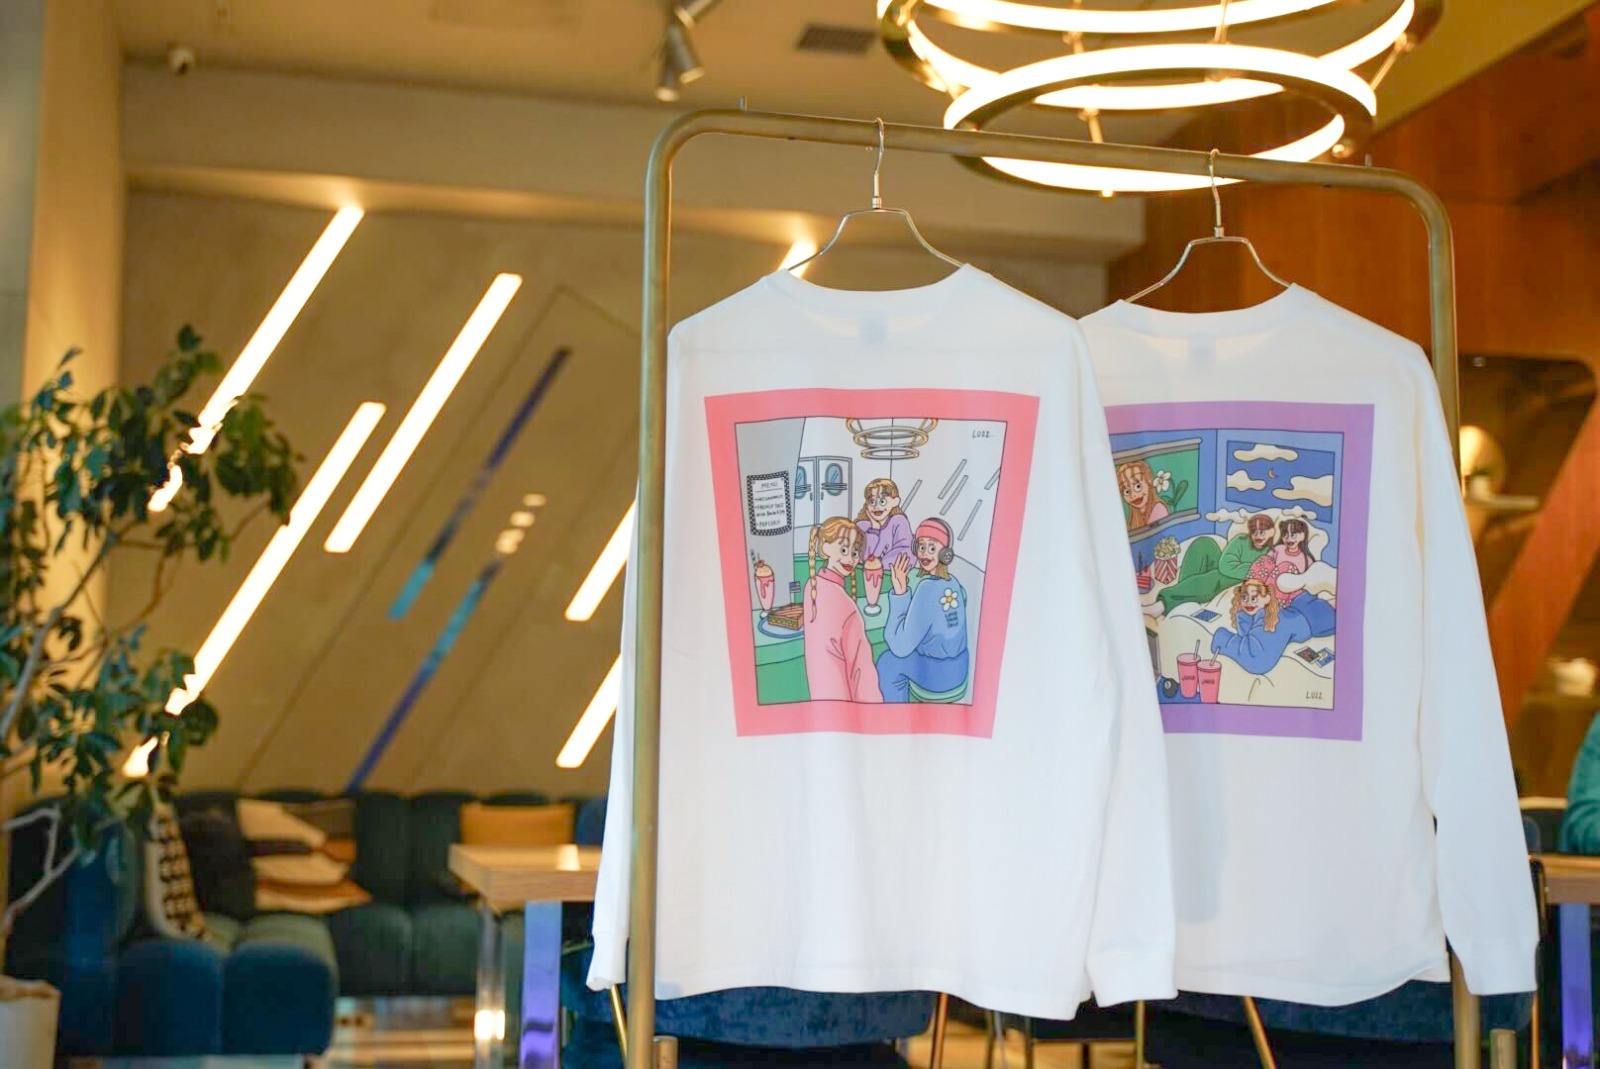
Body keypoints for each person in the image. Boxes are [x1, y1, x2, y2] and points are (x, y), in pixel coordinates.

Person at [876, 517, 970, 703]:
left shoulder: (927, 589)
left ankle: (896, 716)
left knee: (887, 662)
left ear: (945, 554)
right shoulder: (954, 583)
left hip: (938, 676)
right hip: (959, 670)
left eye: (932, 548)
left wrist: (900, 592)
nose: (925, 553)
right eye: (921, 546)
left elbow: (900, 647)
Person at [802, 518, 882, 703]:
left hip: (821, 697)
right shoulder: (846, 606)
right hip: (847, 703)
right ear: (825, 547)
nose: (850, 559)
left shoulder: (812, 586)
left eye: (855, 552)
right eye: (844, 550)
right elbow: (861, 671)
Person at [1155, 513, 1276, 616]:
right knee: (1203, 543)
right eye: (1254, 532)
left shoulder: (1271, 552)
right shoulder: (1241, 540)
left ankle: (1164, 603)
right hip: (1224, 571)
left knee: (1214, 578)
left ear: (1271, 532)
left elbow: (1259, 575)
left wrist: (1241, 568)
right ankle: (1186, 597)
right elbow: (1225, 565)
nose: (1257, 536)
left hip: (1235, 581)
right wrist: (1251, 567)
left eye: (1262, 532)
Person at [1210, 577, 1311, 676]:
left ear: (1267, 598)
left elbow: (1257, 658)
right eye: (1244, 598)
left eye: (1254, 598)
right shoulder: (1248, 616)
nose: (1248, 602)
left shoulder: (1269, 617)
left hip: (1306, 614)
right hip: (1298, 610)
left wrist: (1221, 638)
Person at [855, 478, 913, 570]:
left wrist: (879, 564)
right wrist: (874, 529)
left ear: (895, 501)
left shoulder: (898, 521)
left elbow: (906, 552)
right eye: (872, 502)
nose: (876, 506)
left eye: (882, 501)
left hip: (888, 574)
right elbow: (859, 557)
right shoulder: (862, 526)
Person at [1118, 459, 1169, 531]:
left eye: (1138, 486)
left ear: (1149, 481)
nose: (1133, 495)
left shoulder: (1159, 508)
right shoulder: (1134, 518)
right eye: (1127, 491)